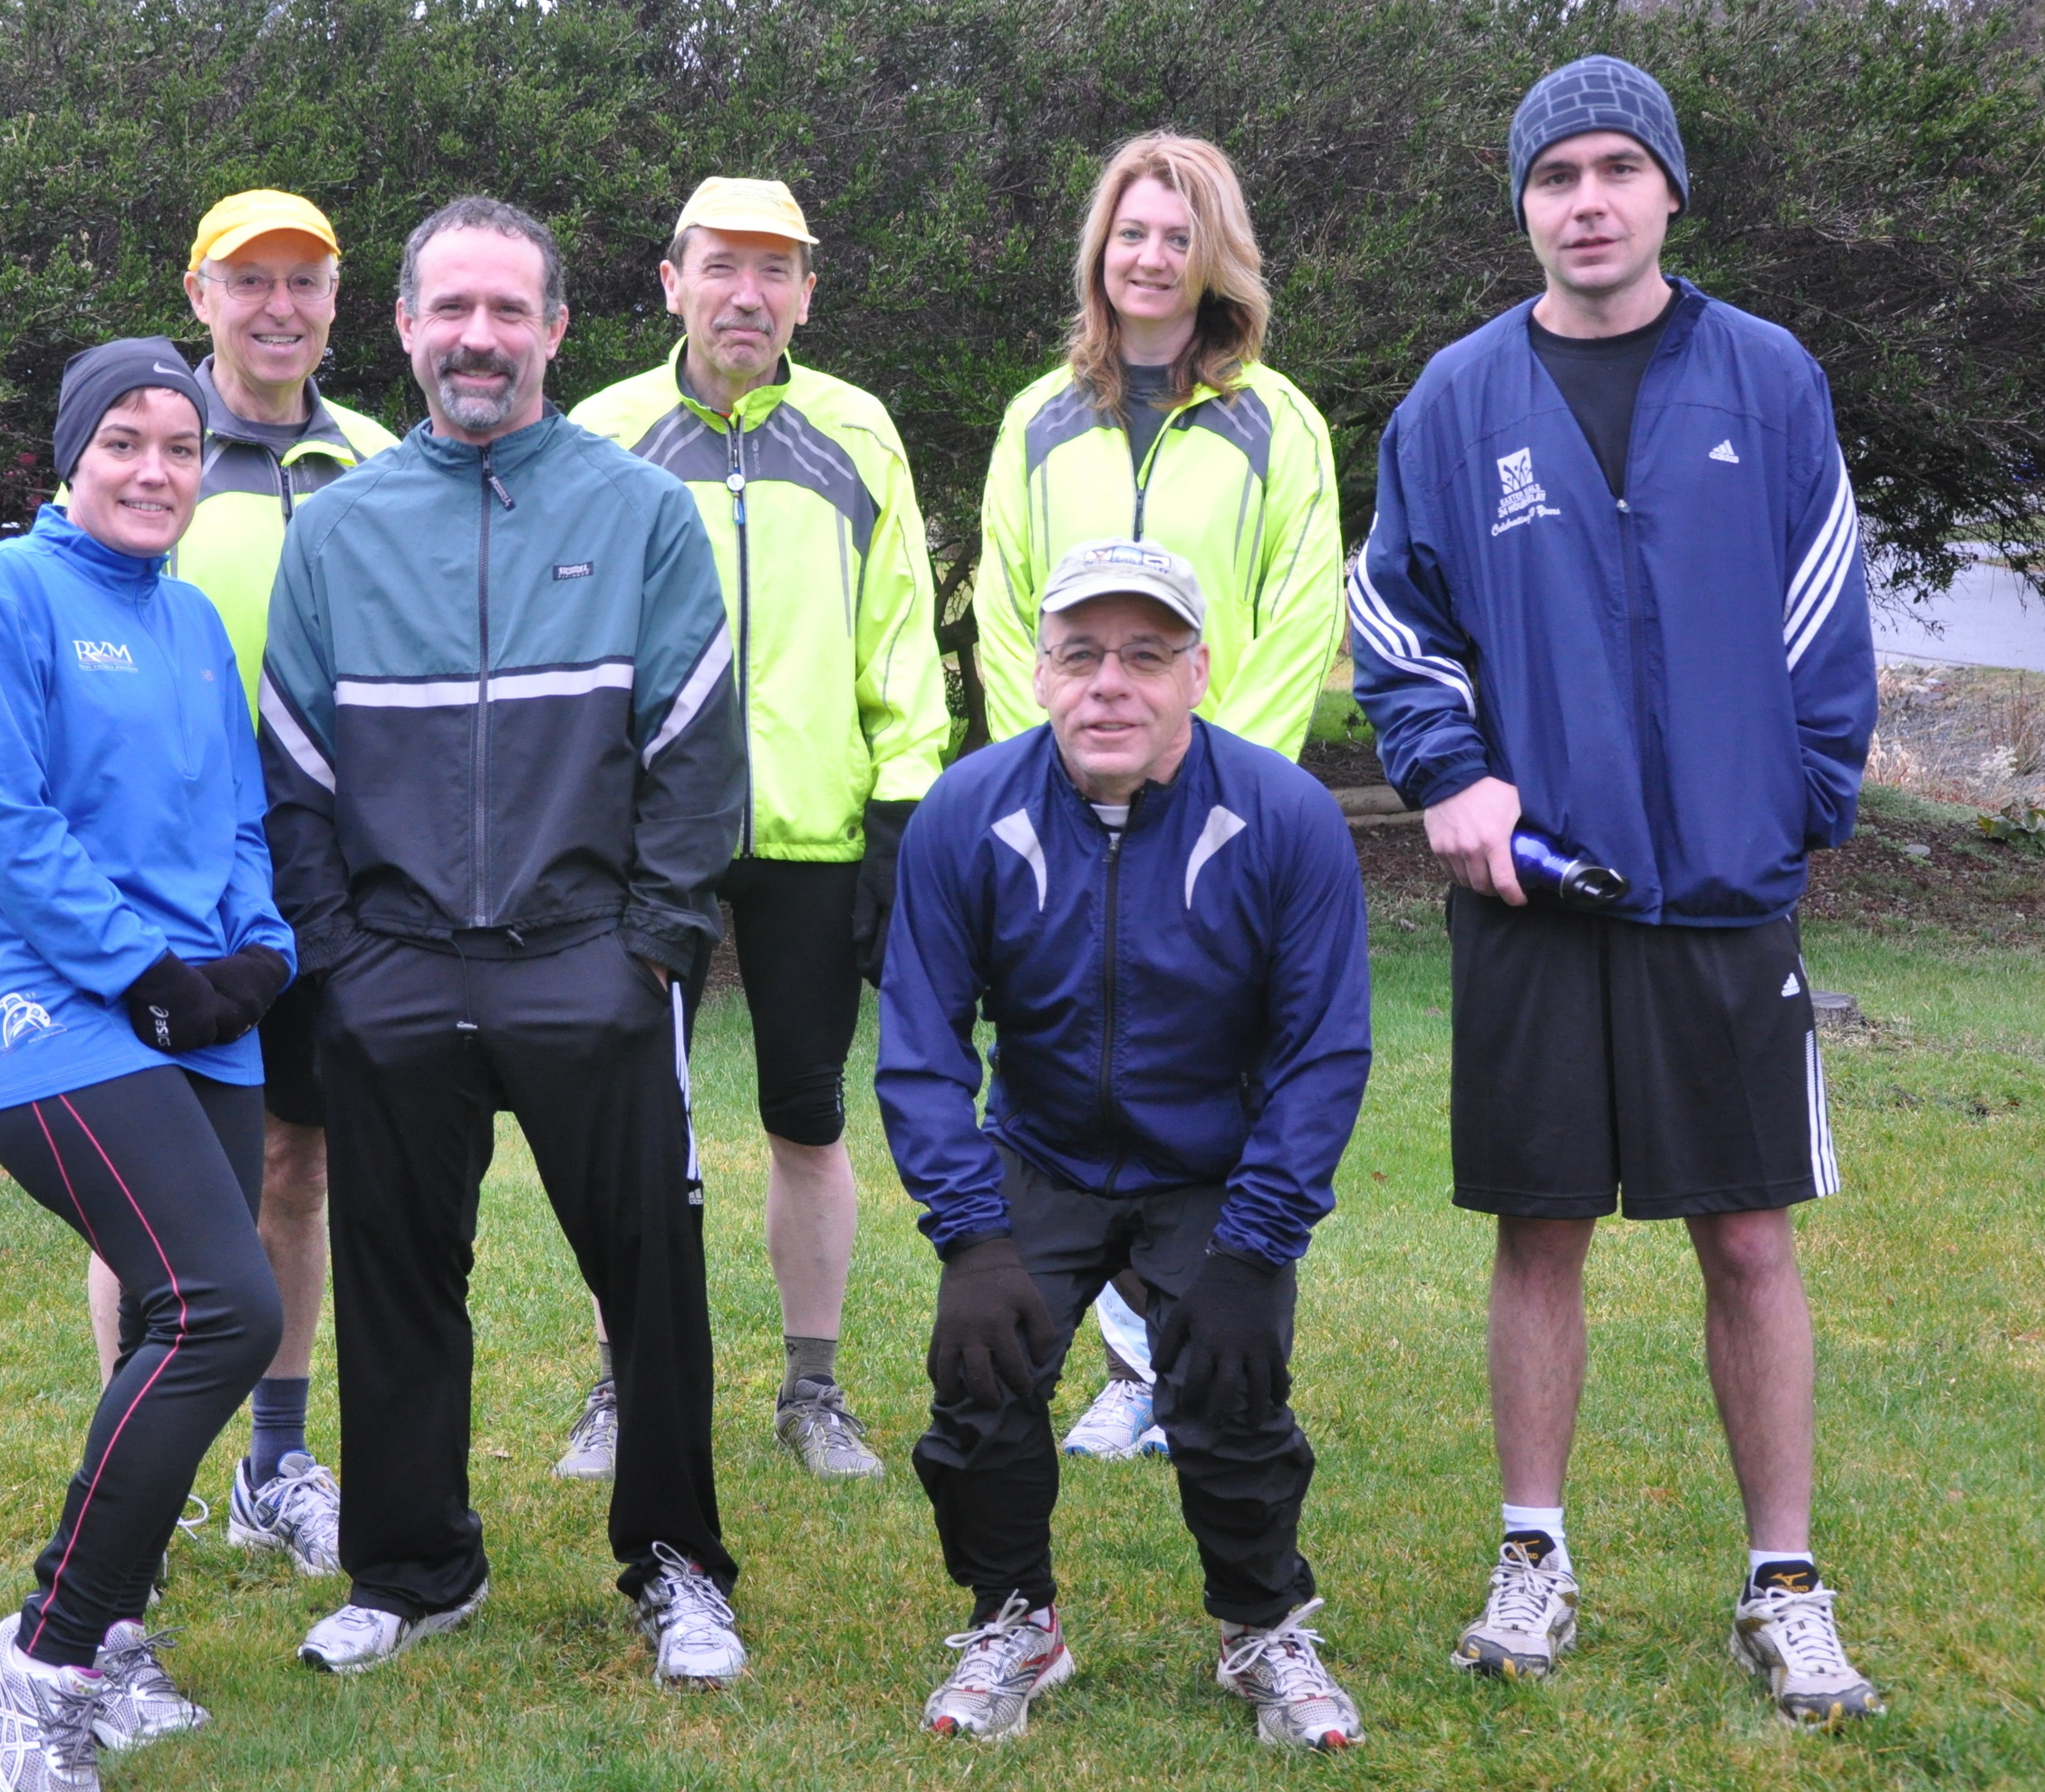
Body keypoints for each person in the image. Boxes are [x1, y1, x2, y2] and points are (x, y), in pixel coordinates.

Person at [1350, 56, 1882, 1726]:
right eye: (1556, 174)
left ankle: (1782, 1582)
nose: (1586, 200)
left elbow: (1824, 608)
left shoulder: (1768, 376)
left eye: (1615, 170)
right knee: (1542, 1228)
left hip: (1722, 896)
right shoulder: (1452, 400)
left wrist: (1794, 803)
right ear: (1524, 203)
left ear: (1667, 193)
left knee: (1746, 1232)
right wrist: (1448, 775)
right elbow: (1394, 622)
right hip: (1538, 895)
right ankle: (1533, 1554)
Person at [262, 197, 750, 1685]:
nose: (480, 336)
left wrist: (651, 946)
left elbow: (694, 749)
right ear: (404, 328)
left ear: (553, 328)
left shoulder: (638, 511)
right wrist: (341, 954)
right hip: (393, 966)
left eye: (509, 310)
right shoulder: (335, 527)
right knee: (399, 1276)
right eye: (450, 309)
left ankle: (674, 1564)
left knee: (650, 1274)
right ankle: (414, 1569)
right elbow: (293, 766)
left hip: (586, 958)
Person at [880, 540, 1373, 1749]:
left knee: (1232, 1388)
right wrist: (971, 1234)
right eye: (1081, 654)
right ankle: (1016, 1619)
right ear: (1038, 672)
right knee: (979, 1375)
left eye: (1145, 656)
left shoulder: (1287, 819)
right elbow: (920, 1048)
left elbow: (1322, 1054)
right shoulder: (965, 813)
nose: (1111, 685)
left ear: (1198, 673)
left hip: (1211, 1165)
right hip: (1040, 1155)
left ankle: (1260, 1624)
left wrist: (1256, 1248)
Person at [0, 339, 294, 1790]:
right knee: (222, 1307)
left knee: (183, 1315)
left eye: (181, 446)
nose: (156, 471)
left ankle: (94, 1626)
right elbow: (5, 823)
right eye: (126, 443)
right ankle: (49, 1662)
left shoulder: (197, 621)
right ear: (70, 457)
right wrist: (142, 972)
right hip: (54, 1014)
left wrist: (258, 960)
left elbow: (241, 819)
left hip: (207, 1011)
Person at [969, 133, 1346, 1457]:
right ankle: (1127, 1368)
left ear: (1215, 257)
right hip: (1063, 804)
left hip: (1220, 809)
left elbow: (1304, 601)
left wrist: (1220, 776)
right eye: (1129, 232)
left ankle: (1192, 1353)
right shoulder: (1037, 416)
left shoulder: (1276, 419)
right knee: (1078, 1062)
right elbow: (1005, 602)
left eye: (1177, 235)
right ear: (1099, 250)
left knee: (1206, 1078)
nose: (1149, 256)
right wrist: (1061, 769)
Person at [568, 177, 950, 1482]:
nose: (748, 294)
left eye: (776, 271)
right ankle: (622, 1384)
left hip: (815, 828)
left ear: (807, 292)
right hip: (646, 837)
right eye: (722, 267)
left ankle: (813, 1387)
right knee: (632, 1120)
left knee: (806, 1112)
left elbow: (902, 628)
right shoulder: (605, 430)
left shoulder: (857, 430)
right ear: (670, 280)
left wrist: (903, 802)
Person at [78, 189, 398, 1578]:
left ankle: (278, 1462)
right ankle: (138, 1475)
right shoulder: (153, 452)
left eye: (306, 282)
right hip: (165, 879)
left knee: (294, 1162)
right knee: (148, 1183)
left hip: (330, 871)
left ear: (337, 301)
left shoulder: (382, 459)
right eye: (248, 280)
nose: (280, 306)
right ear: (199, 293)